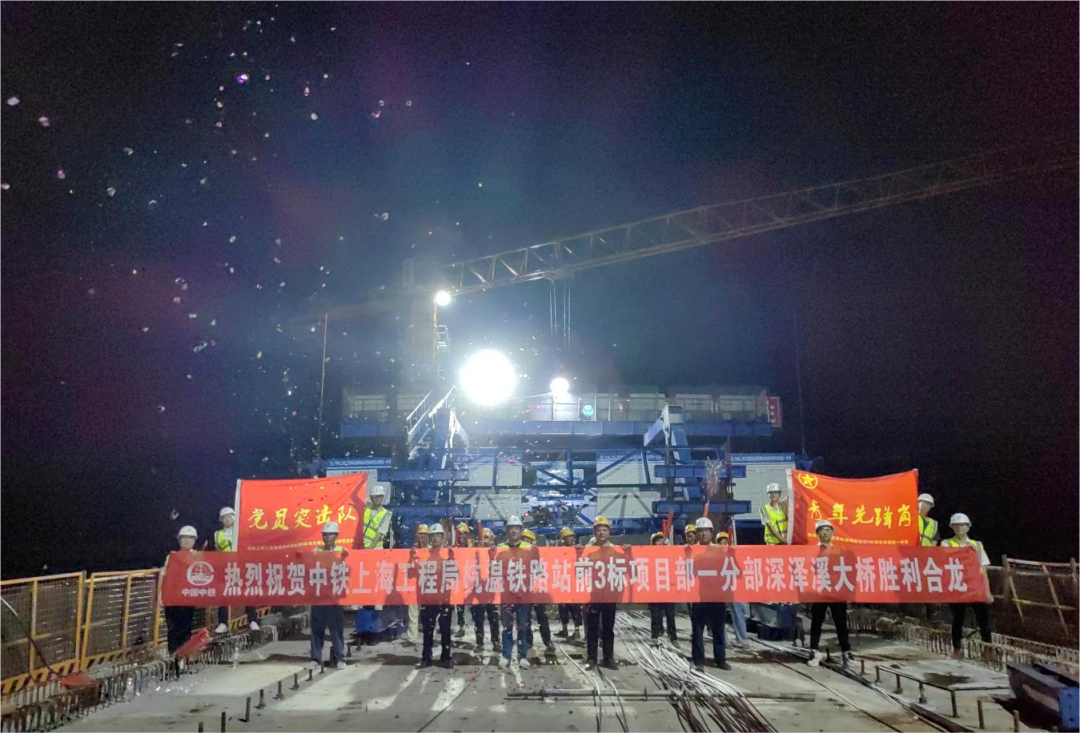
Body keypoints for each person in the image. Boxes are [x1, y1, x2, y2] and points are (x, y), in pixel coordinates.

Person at [942, 513, 994, 660]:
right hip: (957, 587)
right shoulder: (946, 543)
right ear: (952, 527)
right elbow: (944, 558)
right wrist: (966, 550)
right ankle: (957, 650)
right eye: (956, 525)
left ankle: (988, 650)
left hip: (975, 587)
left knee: (983, 619)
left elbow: (983, 570)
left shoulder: (977, 545)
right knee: (958, 619)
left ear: (968, 527)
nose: (960, 527)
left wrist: (987, 592)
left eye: (963, 525)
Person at [807, 519, 853, 667]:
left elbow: (846, 571)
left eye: (828, 530)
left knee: (841, 623)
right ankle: (814, 651)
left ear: (832, 533)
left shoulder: (839, 550)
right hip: (819, 591)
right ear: (817, 534)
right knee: (816, 622)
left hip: (836, 592)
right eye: (822, 530)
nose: (825, 533)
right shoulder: (812, 551)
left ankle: (846, 652)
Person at [690, 517, 731, 671]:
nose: (704, 534)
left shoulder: (720, 551)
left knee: (719, 629)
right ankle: (698, 660)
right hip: (700, 596)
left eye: (707, 531)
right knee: (697, 630)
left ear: (712, 533)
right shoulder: (692, 551)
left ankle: (720, 659)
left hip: (717, 595)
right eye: (701, 531)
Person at [212, 506, 260, 634]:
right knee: (224, 595)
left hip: (241, 565)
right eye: (224, 518)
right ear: (221, 520)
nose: (227, 520)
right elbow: (218, 551)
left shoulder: (242, 531)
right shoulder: (217, 534)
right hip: (226, 567)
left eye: (229, 517)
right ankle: (223, 622)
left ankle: (253, 620)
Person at [310, 521, 347, 670]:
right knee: (317, 628)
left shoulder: (342, 551)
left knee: (336, 629)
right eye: (325, 534)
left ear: (336, 536)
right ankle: (315, 658)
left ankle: (340, 658)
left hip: (334, 596)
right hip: (319, 595)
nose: (327, 537)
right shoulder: (316, 551)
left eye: (330, 534)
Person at [585, 516, 619, 670]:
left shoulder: (616, 550)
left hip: (609, 594)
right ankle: (591, 658)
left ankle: (608, 657)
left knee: (608, 628)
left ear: (609, 532)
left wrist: (628, 552)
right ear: (594, 532)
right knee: (592, 628)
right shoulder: (588, 550)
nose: (601, 533)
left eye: (604, 530)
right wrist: (577, 552)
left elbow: (627, 566)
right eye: (598, 530)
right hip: (592, 594)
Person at [419, 524, 454, 668]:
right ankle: (426, 658)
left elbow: (456, 575)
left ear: (443, 538)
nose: (435, 539)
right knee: (428, 630)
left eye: (438, 536)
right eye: (432, 536)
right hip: (429, 598)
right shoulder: (423, 554)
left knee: (445, 630)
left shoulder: (449, 554)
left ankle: (445, 658)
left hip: (445, 597)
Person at [498, 515, 532, 669]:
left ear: (521, 530)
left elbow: (538, 565)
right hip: (506, 593)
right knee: (507, 626)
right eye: (511, 528)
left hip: (523, 592)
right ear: (507, 531)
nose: (513, 531)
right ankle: (506, 655)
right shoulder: (501, 548)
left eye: (516, 528)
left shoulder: (529, 548)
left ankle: (522, 655)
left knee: (522, 625)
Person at [164, 526, 199, 653]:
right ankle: (174, 658)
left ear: (194, 540)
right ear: (179, 540)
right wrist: (161, 596)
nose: (187, 540)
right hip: (172, 599)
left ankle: (184, 657)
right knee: (172, 630)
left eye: (190, 538)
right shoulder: (172, 556)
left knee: (185, 628)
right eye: (184, 537)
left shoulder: (198, 557)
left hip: (188, 598)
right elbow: (164, 576)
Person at [520, 528, 555, 653]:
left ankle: (547, 640)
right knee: (526, 618)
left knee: (542, 617)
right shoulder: (517, 555)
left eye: (528, 541)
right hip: (524, 591)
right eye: (524, 540)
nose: (526, 543)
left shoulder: (537, 554)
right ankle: (528, 642)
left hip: (537, 590)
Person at [717, 532, 749, 648]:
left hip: (734, 590)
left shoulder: (734, 556)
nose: (723, 544)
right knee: (720, 616)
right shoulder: (716, 557)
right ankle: (724, 641)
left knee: (738, 614)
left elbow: (740, 573)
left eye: (725, 542)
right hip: (721, 590)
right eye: (721, 543)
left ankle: (742, 641)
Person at [471, 528, 501, 653]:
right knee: (478, 619)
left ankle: (496, 642)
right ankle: (479, 643)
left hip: (491, 590)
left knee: (493, 618)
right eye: (482, 538)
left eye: (487, 537)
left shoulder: (496, 552)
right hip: (478, 590)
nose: (485, 540)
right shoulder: (473, 552)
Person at [647, 531, 678, 645]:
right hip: (654, 590)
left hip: (667, 589)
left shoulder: (670, 555)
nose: (659, 543)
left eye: (661, 540)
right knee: (655, 615)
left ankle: (673, 636)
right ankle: (655, 635)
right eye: (657, 541)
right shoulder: (648, 555)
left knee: (670, 614)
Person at [556, 527, 583, 640]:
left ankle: (577, 631)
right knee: (563, 608)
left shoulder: (578, 549)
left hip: (574, 584)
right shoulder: (558, 551)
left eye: (571, 537)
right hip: (563, 583)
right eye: (567, 537)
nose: (570, 539)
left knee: (575, 608)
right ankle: (565, 629)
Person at [404, 524, 428, 647]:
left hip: (428, 586)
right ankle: (412, 638)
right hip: (415, 586)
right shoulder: (413, 551)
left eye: (424, 535)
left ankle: (430, 636)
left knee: (429, 614)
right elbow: (408, 567)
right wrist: (411, 556)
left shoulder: (432, 550)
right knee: (413, 612)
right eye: (420, 535)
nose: (422, 538)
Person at [454, 522, 473, 636]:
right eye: (460, 534)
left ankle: (476, 629)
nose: (462, 536)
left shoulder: (473, 547)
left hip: (471, 581)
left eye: (464, 534)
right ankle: (461, 626)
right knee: (460, 606)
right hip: (460, 581)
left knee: (474, 607)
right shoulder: (455, 548)